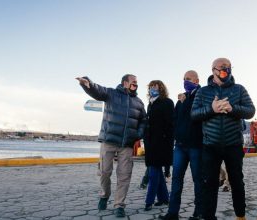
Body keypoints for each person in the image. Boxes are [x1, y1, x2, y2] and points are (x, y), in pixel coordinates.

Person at [191, 58, 255, 220]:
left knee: (237, 182)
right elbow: (194, 114)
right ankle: (209, 217)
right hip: (210, 145)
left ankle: (240, 216)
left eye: (228, 67)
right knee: (210, 184)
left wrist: (232, 108)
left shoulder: (239, 89)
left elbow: (250, 111)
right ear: (213, 70)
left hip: (233, 144)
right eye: (221, 67)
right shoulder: (203, 91)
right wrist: (211, 109)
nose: (225, 70)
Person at [76, 74, 147, 218]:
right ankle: (104, 195)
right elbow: (97, 90)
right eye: (134, 82)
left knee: (124, 175)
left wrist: (137, 135)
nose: (136, 84)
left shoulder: (139, 102)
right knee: (104, 172)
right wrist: (87, 83)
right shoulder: (111, 94)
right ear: (125, 83)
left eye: (137, 82)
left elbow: (144, 121)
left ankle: (119, 205)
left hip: (126, 145)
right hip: (109, 141)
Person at [159, 70, 203, 220]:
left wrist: (186, 102)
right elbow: (175, 119)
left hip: (196, 145)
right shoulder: (181, 100)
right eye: (184, 79)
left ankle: (199, 212)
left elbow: (199, 116)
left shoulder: (202, 96)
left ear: (197, 81)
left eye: (189, 79)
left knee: (198, 179)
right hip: (180, 146)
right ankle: (173, 213)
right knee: (176, 179)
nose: (186, 81)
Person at [143, 80, 175, 211]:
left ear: (161, 88)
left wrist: (169, 142)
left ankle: (149, 201)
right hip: (150, 143)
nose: (152, 89)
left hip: (162, 143)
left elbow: (171, 124)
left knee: (153, 172)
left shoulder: (167, 102)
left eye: (155, 86)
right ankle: (164, 199)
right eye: (150, 87)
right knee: (157, 172)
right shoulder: (150, 104)